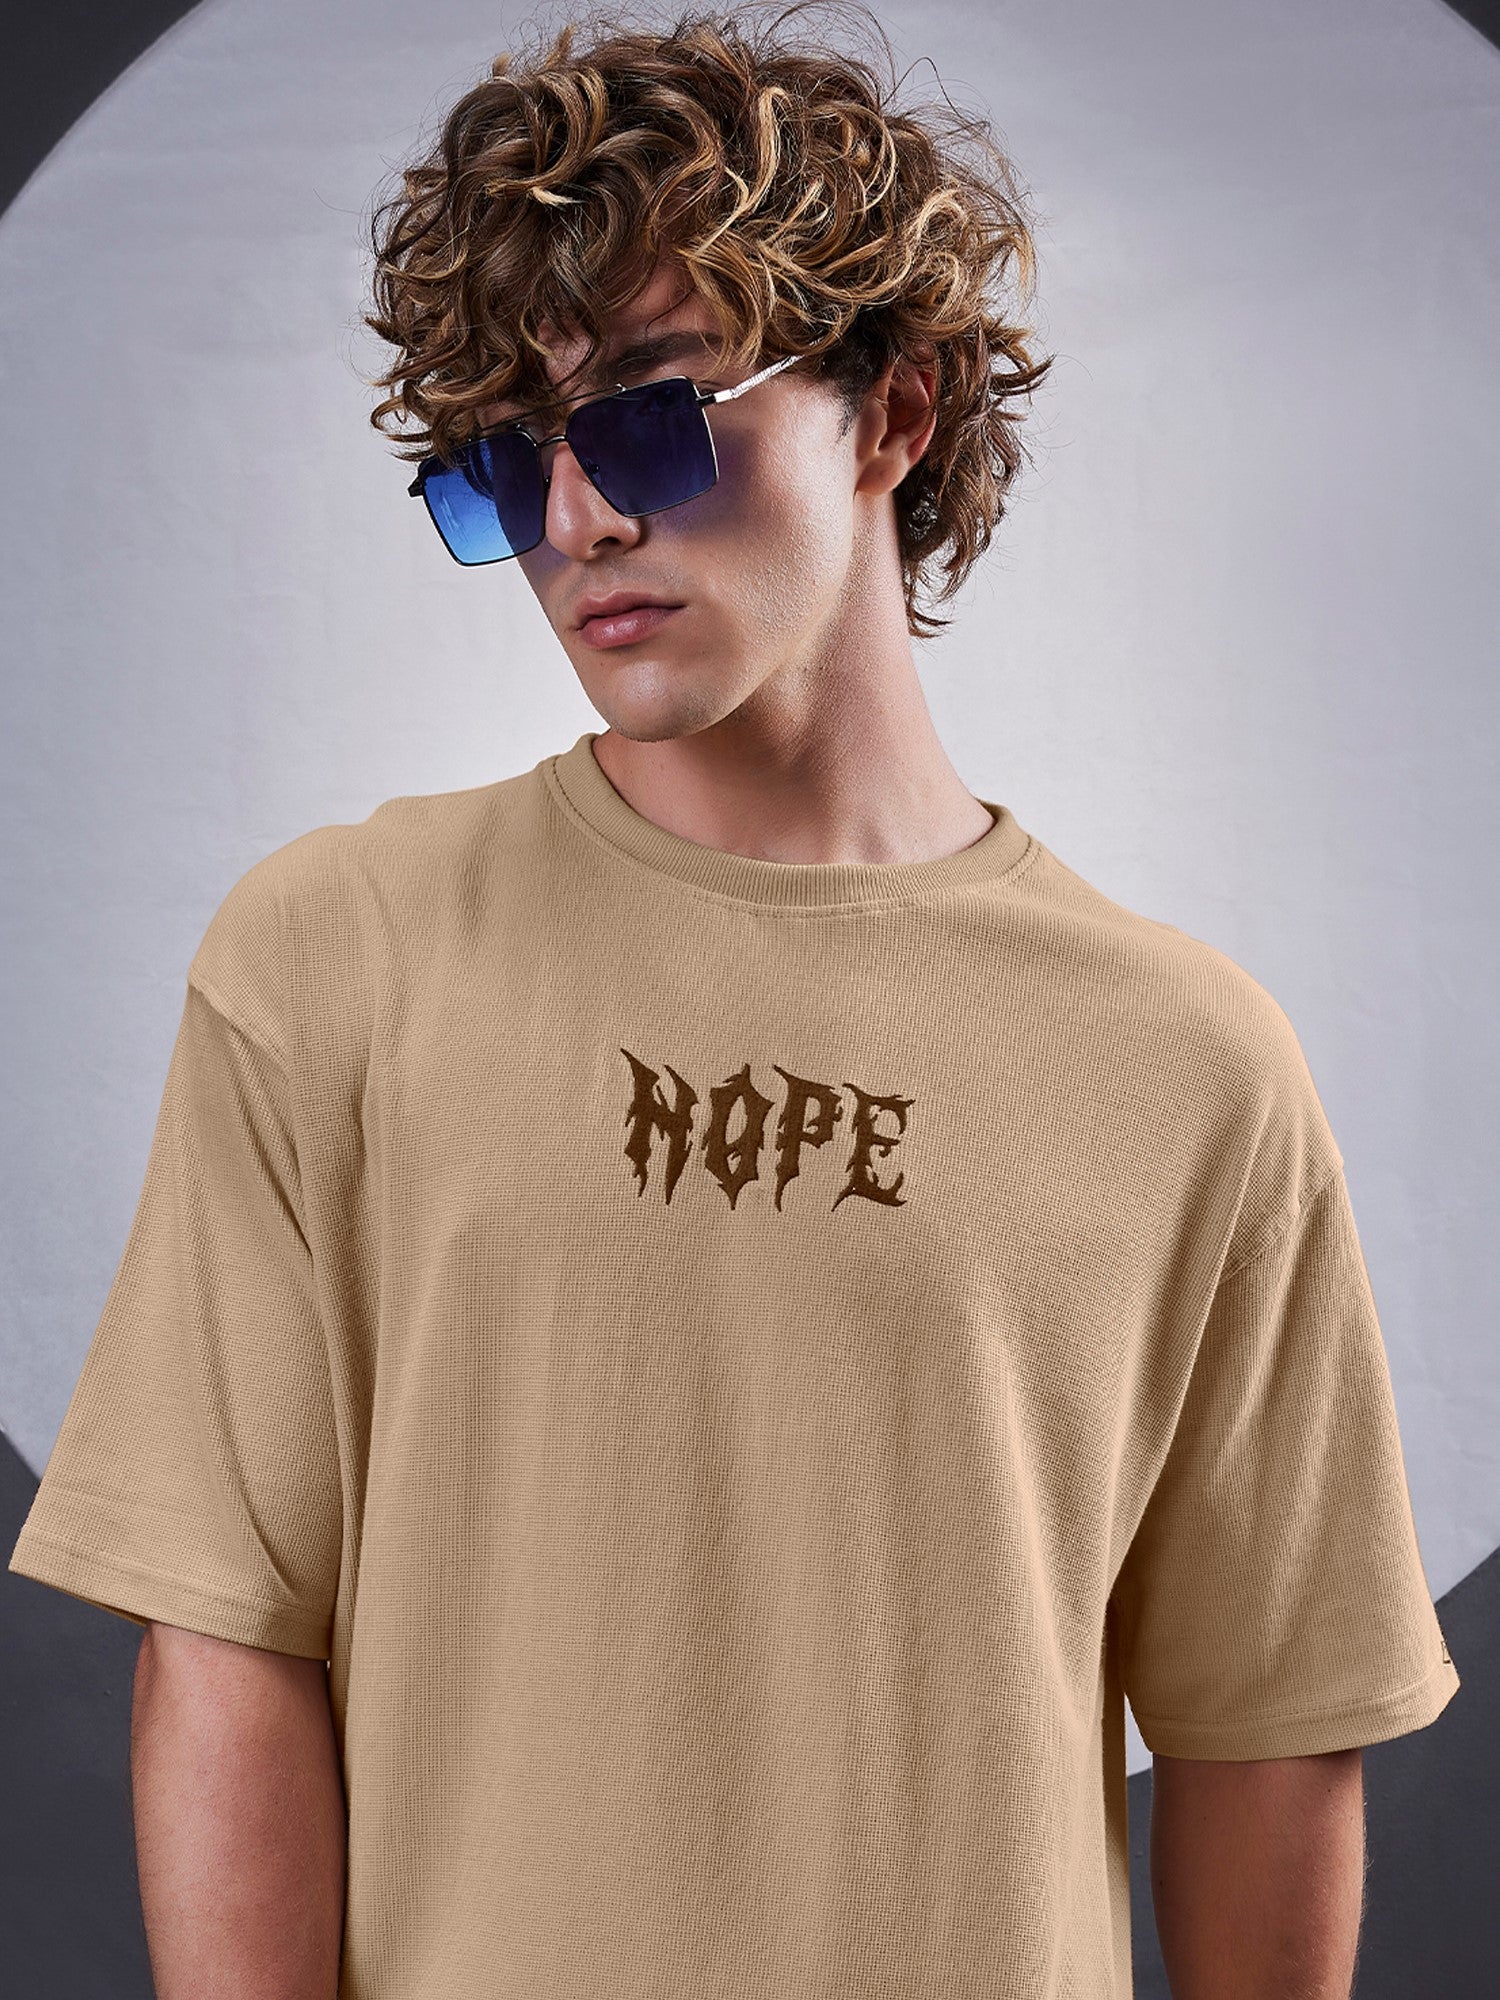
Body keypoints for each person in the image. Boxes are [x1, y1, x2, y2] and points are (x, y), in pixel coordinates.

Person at [9, 4, 1459, 1995]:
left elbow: (1265, 1740)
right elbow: (228, 1645)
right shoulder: (331, 963)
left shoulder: (1191, 1068)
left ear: (892, 411)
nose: (581, 522)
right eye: (504, 467)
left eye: (649, 420)